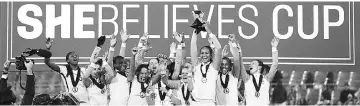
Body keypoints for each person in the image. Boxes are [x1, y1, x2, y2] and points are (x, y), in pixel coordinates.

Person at [37, 36, 108, 104]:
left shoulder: (83, 70)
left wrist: (99, 46)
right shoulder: (64, 69)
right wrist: (47, 50)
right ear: (67, 60)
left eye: (76, 56)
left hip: (85, 102)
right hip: (71, 103)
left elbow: (93, 61)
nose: (75, 57)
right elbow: (47, 62)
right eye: (72, 56)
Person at [190, 12, 222, 105]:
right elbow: (193, 45)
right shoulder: (196, 64)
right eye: (202, 53)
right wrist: (196, 28)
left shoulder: (214, 66)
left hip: (209, 103)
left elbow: (218, 48)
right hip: (195, 102)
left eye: (207, 53)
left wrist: (208, 31)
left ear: (211, 54)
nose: (204, 55)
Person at [239, 36, 279, 105]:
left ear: (259, 67)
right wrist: (239, 52)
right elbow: (241, 66)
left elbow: (275, 64)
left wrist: (274, 48)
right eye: (250, 64)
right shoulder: (247, 78)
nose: (250, 65)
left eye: (253, 63)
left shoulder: (266, 78)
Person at [83, 35, 117, 105]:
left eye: (98, 69)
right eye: (94, 69)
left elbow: (111, 74)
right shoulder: (89, 82)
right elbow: (85, 76)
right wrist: (99, 46)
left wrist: (104, 62)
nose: (96, 71)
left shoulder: (105, 80)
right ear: (90, 70)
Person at [108, 29, 136, 105]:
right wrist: (112, 48)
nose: (123, 64)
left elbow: (122, 59)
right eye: (120, 63)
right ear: (115, 65)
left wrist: (124, 43)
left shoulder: (127, 78)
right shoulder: (112, 75)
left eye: (124, 64)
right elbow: (110, 62)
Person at [215, 34, 241, 105]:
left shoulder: (234, 76)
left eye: (226, 64)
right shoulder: (216, 76)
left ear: (230, 66)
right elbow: (215, 62)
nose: (224, 66)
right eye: (222, 64)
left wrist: (233, 43)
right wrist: (222, 56)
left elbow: (236, 59)